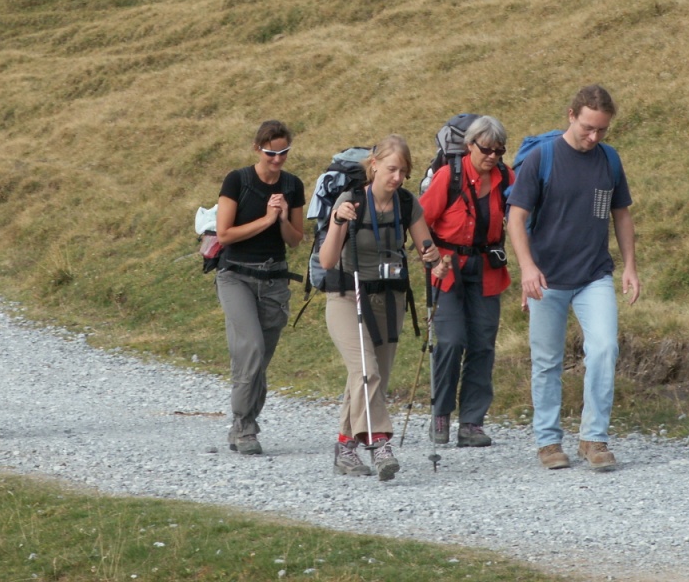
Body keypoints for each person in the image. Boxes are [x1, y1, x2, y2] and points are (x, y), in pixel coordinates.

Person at [506, 85, 640, 471]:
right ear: (571, 115)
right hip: (547, 279)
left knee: (604, 348)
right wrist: (527, 268)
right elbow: (516, 218)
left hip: (593, 275)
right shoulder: (542, 158)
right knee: (547, 360)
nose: (594, 137)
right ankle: (548, 441)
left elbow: (621, 214)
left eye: (602, 130)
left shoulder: (609, 160)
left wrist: (630, 266)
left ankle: (593, 438)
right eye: (587, 128)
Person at [319, 135, 445, 480]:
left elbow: (427, 250)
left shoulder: (406, 203)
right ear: (373, 165)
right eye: (392, 169)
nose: (397, 177)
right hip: (347, 296)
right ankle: (381, 444)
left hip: (389, 298)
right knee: (366, 371)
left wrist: (436, 261)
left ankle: (345, 448)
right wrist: (339, 221)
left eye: (403, 171)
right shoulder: (350, 201)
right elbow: (327, 260)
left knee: (371, 378)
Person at [419, 115, 514, 447]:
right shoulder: (449, 176)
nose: (492, 156)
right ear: (470, 145)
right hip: (447, 269)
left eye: (499, 151)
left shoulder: (506, 177)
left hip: (487, 268)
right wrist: (431, 257)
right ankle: (441, 413)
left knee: (483, 344)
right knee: (450, 341)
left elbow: (520, 216)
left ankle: (472, 422)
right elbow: (420, 221)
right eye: (486, 149)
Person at [215, 120, 305, 455]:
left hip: (274, 279)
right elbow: (224, 234)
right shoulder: (237, 180)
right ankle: (244, 427)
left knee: (258, 360)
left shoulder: (293, 185)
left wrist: (281, 219)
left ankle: (244, 424)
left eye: (284, 153)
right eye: (271, 153)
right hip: (235, 276)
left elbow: (295, 240)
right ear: (257, 149)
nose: (277, 159)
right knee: (250, 348)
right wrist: (266, 219)